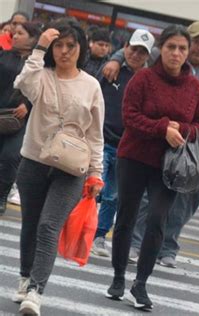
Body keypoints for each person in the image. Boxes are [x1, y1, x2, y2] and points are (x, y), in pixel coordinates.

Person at [106, 21, 199, 268]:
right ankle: (137, 244)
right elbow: (137, 49)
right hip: (153, 144)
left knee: (189, 197)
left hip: (196, 145)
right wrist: (116, 59)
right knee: (150, 199)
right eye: (196, 42)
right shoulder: (162, 57)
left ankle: (167, 246)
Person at [106, 25, 199, 310]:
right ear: (160, 49)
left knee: (156, 220)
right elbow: (130, 117)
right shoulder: (143, 78)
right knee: (125, 217)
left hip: (171, 166)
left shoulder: (195, 86)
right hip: (134, 157)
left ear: (188, 53)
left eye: (182, 49)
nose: (176, 53)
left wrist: (182, 130)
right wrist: (163, 127)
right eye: (171, 47)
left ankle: (140, 284)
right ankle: (117, 277)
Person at [12, 19, 104, 315]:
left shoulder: (91, 85)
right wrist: (39, 48)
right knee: (30, 226)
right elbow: (22, 83)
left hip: (71, 168)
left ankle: (36, 291)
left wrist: (96, 173)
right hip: (34, 161)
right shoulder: (42, 75)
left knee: (48, 226)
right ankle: (25, 278)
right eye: (58, 45)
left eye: (71, 45)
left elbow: (96, 134)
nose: (64, 51)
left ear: (81, 48)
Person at [90, 29, 153, 258]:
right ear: (125, 46)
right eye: (133, 49)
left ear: (148, 56)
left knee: (112, 196)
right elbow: (92, 95)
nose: (136, 55)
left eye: (142, 52)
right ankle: (78, 229)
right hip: (99, 140)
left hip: (126, 147)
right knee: (89, 187)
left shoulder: (148, 80)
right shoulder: (110, 68)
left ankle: (99, 235)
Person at [0, 22, 41, 216]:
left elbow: (40, 89)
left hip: (20, 120)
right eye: (13, 33)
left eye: (20, 33)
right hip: (0, 112)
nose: (14, 36)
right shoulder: (3, 55)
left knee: (9, 157)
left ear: (33, 38)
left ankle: (2, 195)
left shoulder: (38, 62)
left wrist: (28, 104)